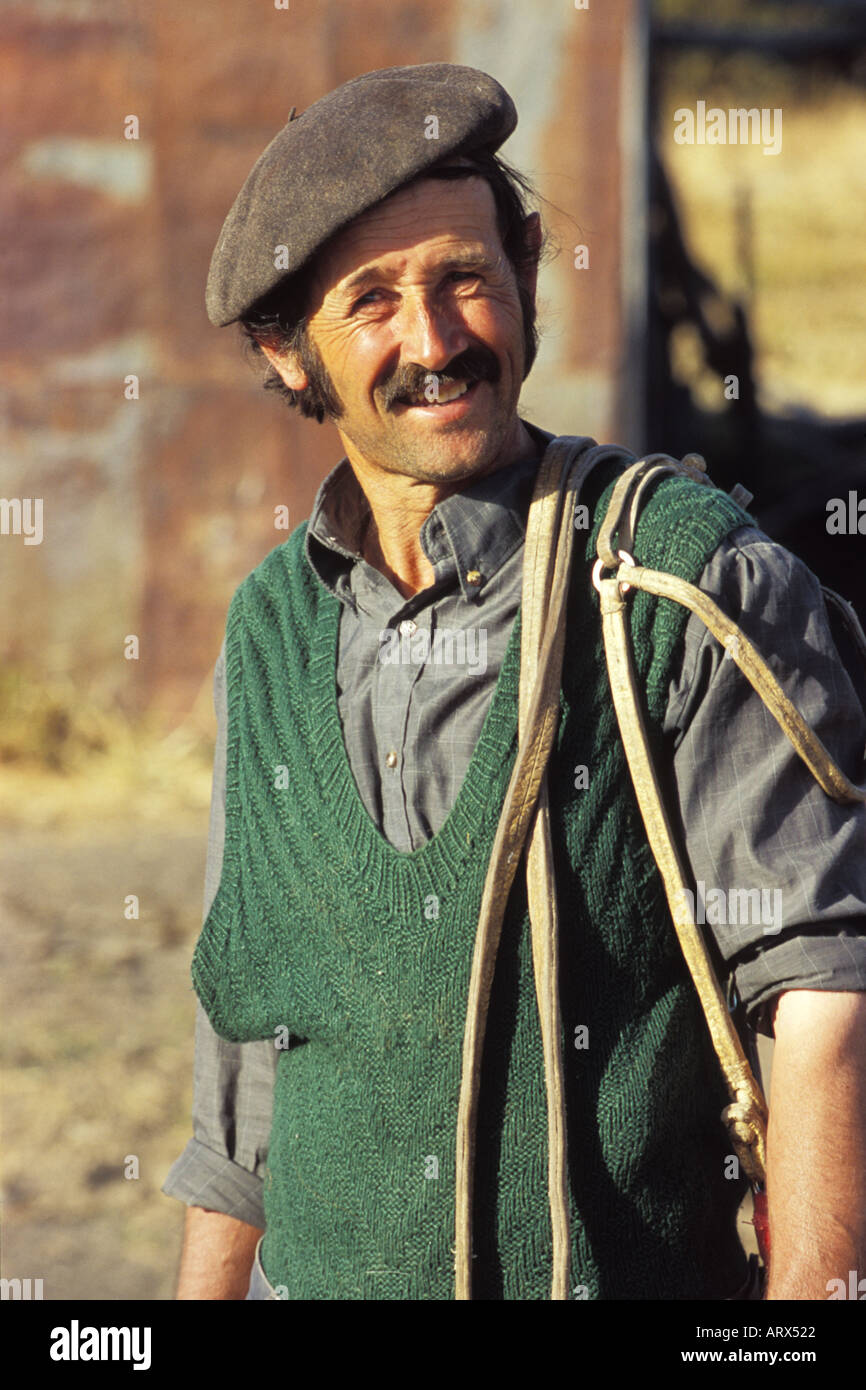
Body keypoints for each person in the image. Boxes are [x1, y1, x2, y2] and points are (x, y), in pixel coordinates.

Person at [163, 63, 866, 1301]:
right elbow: (246, 1070)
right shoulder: (267, 632)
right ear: (287, 354)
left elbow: (818, 1007)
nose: (434, 344)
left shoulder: (677, 586)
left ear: (527, 272)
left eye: (463, 279)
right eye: (371, 302)